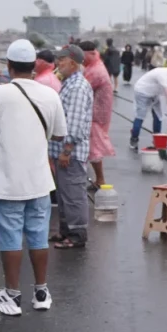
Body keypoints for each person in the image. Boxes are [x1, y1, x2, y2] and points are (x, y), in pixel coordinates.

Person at [0, 39, 68, 315]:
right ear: (35, 67)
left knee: (10, 237)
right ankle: (41, 292)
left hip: (7, 181)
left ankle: (12, 296)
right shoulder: (50, 95)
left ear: (9, 66)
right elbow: (60, 134)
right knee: (38, 236)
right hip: (39, 180)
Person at [50, 45, 93, 249]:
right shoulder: (69, 83)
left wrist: (67, 150)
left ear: (73, 63)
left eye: (62, 60)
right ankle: (65, 231)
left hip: (71, 152)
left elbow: (74, 124)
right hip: (63, 151)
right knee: (64, 194)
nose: (58, 63)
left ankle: (77, 235)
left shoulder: (76, 87)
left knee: (74, 193)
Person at [80, 40, 115, 193]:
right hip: (98, 112)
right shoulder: (95, 65)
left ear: (90, 54)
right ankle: (99, 179)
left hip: (96, 113)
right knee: (93, 147)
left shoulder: (95, 71)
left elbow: (81, 87)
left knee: (94, 149)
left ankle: (100, 180)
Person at [130, 63, 167, 150]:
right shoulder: (162, 74)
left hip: (154, 94)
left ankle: (157, 140)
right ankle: (134, 139)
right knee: (140, 116)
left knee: (158, 116)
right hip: (142, 92)